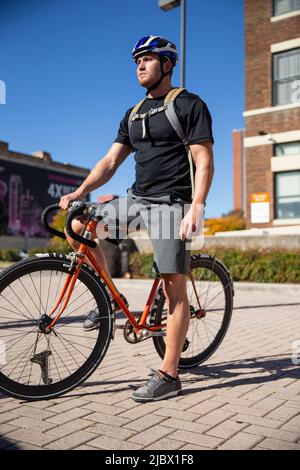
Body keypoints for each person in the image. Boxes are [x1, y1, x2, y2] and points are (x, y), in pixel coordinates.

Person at [59, 35, 214, 402]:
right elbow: (110, 162)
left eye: (147, 59)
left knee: (173, 288)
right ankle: (110, 301)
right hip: (136, 199)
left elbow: (203, 160)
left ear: (168, 64)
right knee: (81, 225)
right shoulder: (133, 113)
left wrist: (197, 206)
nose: (139, 66)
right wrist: (80, 191)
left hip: (170, 204)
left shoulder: (189, 105)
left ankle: (169, 374)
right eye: (136, 61)